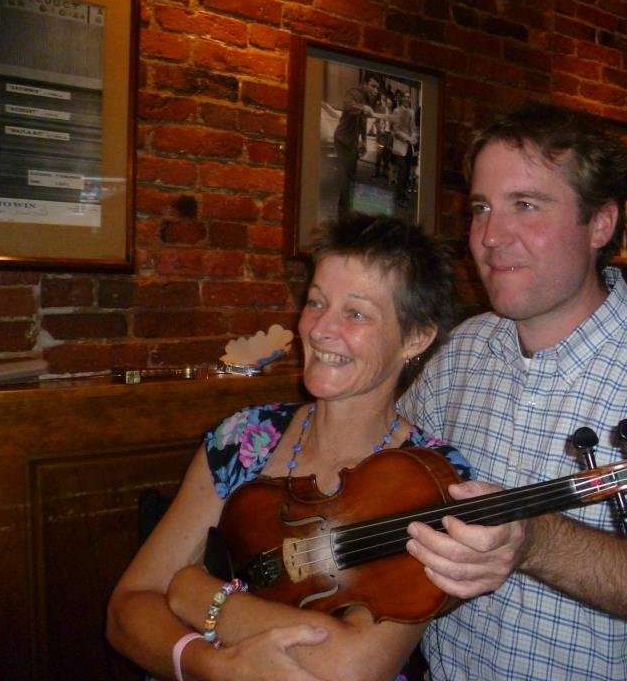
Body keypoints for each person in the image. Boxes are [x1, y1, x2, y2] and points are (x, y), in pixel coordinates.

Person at [398, 103, 627, 679]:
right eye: (481, 208)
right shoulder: (461, 351)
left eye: (526, 205)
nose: (490, 237)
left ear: (600, 224)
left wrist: (534, 542)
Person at [107, 214, 467, 681]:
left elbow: (351, 667)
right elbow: (127, 610)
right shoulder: (245, 438)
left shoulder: (430, 479)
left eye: (355, 313)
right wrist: (214, 665)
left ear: (415, 338)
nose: (318, 330)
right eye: (316, 302)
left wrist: (197, 593)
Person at [333, 74, 380, 217]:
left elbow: (362, 122)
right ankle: (343, 215)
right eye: (373, 86)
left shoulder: (367, 99)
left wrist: (364, 141)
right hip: (342, 140)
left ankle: (347, 211)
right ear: (364, 84)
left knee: (352, 177)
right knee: (346, 178)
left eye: (377, 88)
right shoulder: (354, 92)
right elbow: (347, 104)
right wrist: (362, 108)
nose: (375, 90)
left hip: (352, 142)